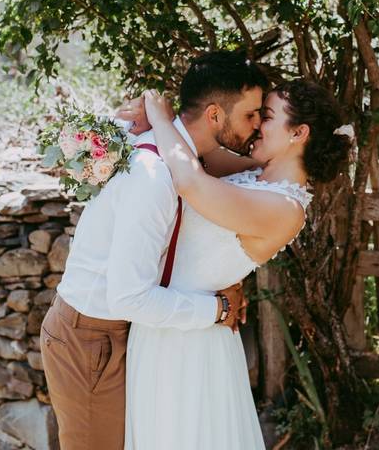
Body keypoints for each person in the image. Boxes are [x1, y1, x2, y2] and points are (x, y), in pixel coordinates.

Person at [40, 50, 269, 450]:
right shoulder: (154, 176)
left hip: (133, 332)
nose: (257, 125)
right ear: (215, 115)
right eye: (250, 115)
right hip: (92, 339)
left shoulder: (185, 160)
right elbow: (128, 296)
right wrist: (216, 310)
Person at [123, 79, 352, 450]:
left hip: (192, 342)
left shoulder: (286, 209)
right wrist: (152, 118)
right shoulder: (252, 174)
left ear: (299, 132)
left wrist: (161, 118)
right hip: (162, 323)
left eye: (268, 116)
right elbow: (197, 148)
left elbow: (190, 181)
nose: (257, 124)